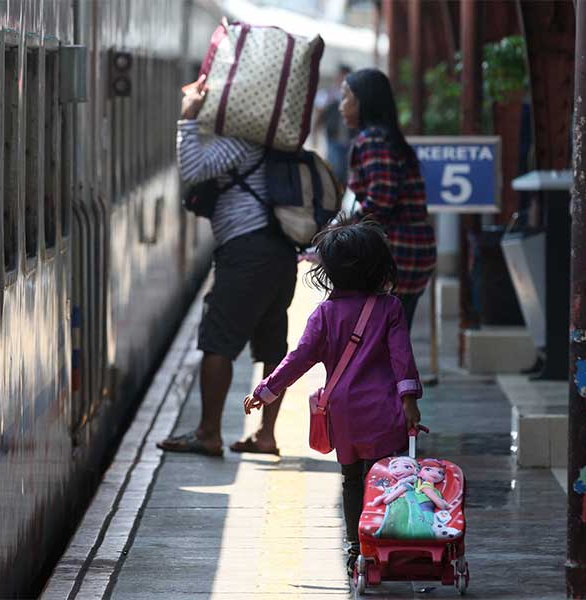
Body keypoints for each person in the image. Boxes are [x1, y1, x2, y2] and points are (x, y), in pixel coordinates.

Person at [242, 219, 422, 574]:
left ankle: (357, 543)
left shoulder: (324, 314)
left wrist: (267, 390)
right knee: (386, 478)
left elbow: (299, 358)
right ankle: (386, 539)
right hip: (385, 411)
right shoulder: (390, 309)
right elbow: (403, 359)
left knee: (351, 479)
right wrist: (409, 401)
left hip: (343, 414)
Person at [157, 74, 298, 457]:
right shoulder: (278, 142)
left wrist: (188, 118)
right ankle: (265, 435)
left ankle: (208, 432)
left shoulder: (240, 143)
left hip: (246, 252)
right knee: (272, 344)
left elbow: (191, 170)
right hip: (282, 253)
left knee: (218, 341)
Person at [340, 68, 436, 329]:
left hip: (394, 253)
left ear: (364, 101)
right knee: (396, 338)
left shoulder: (372, 139)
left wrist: (341, 230)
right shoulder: (389, 138)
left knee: (378, 344)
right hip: (414, 251)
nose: (341, 106)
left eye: (346, 97)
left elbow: (381, 199)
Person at [314, 64, 354, 182]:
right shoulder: (327, 94)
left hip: (350, 139)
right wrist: (315, 135)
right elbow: (318, 115)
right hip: (333, 138)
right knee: (335, 170)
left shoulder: (354, 96)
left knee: (348, 172)